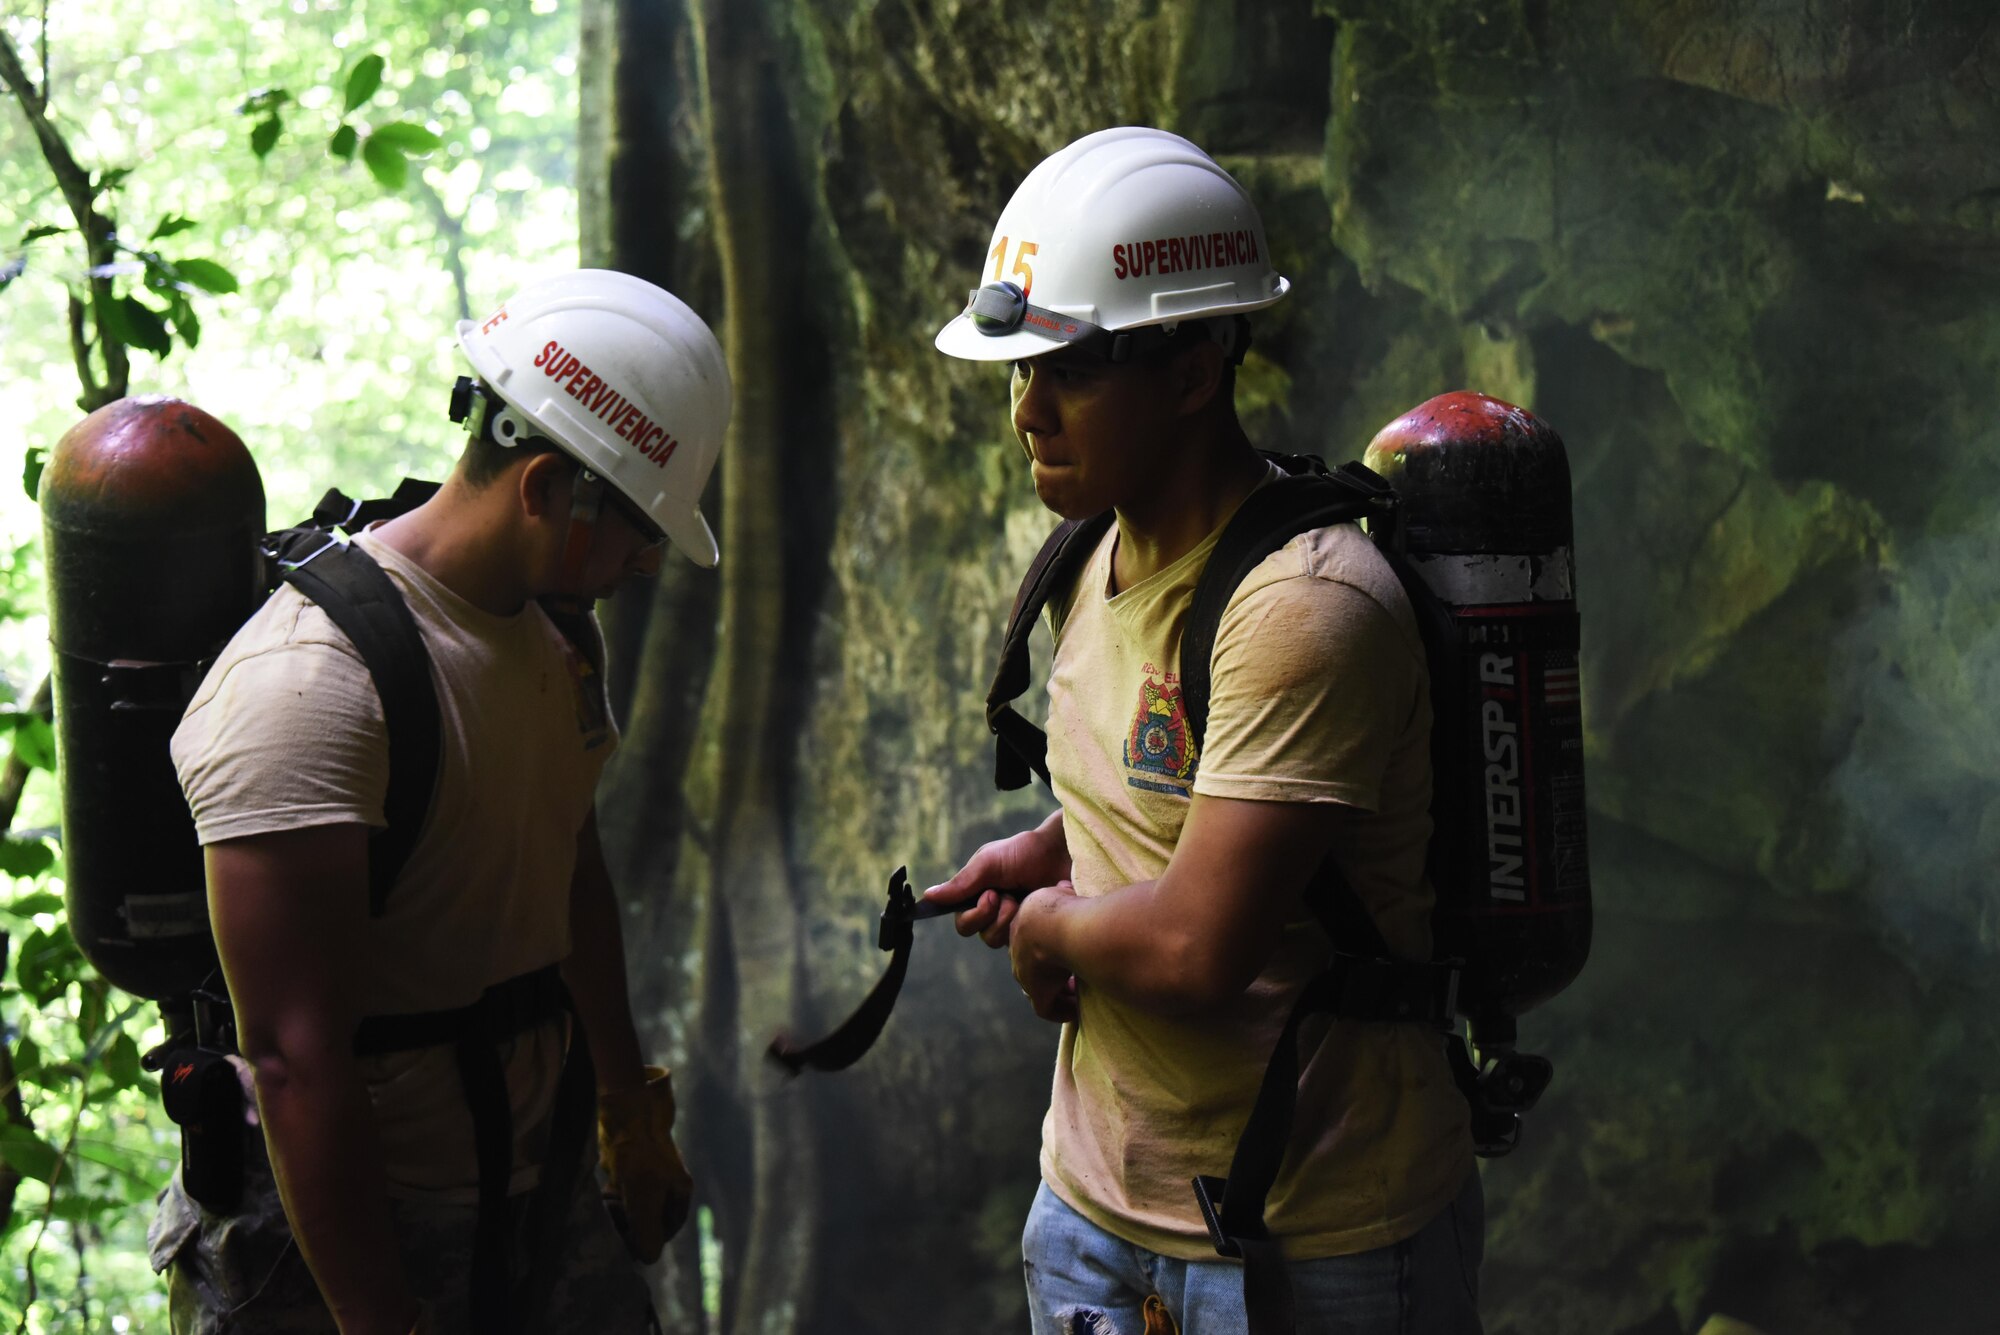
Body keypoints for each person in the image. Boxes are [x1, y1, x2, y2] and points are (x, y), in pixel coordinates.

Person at [922, 128, 1484, 1334]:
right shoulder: (1092, 548)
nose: (1027, 412)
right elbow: (1160, 798)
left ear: (1190, 370)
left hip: (1311, 1239)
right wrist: (1053, 851)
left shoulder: (1305, 607)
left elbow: (1193, 948)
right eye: (1017, 373)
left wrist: (1050, 933)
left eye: (1066, 372)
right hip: (1089, 1211)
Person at [151, 269, 722, 1333]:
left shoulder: (556, 633)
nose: (649, 562)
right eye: (641, 528)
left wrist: (621, 1100)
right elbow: (291, 1055)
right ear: (546, 487)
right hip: (334, 1234)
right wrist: (381, 1321)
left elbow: (568, 862)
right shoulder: (310, 689)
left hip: (528, 1185)